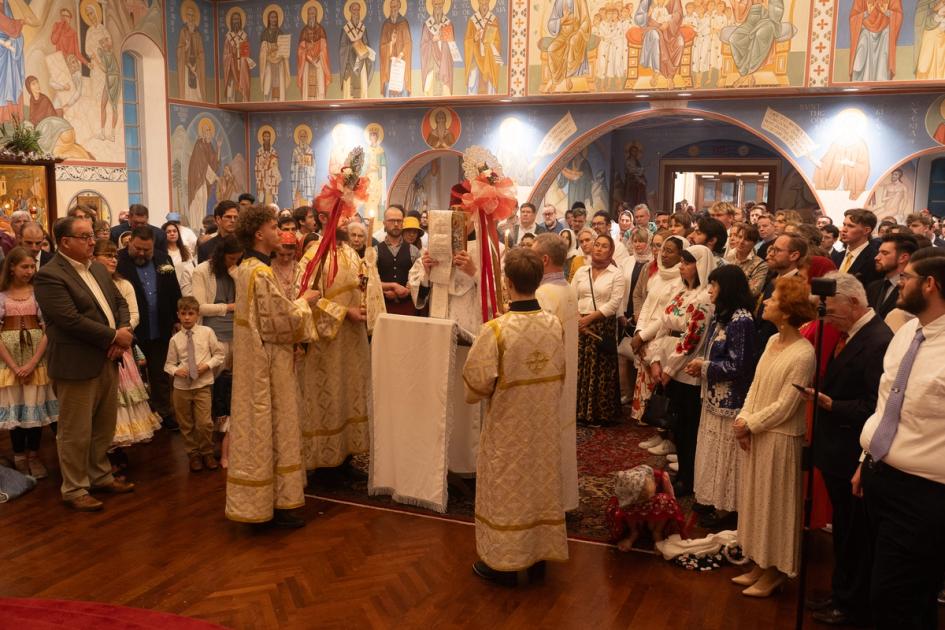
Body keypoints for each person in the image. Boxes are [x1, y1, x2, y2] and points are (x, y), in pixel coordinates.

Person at [463, 247, 568, 584]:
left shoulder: (496, 330)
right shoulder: (553, 324)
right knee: (539, 487)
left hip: (508, 428)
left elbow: (476, 383)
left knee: (506, 488)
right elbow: (560, 372)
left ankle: (504, 564)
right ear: (538, 280)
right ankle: (538, 559)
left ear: (507, 282)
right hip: (544, 427)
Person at [854, 248, 945, 629]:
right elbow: (886, 401)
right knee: (905, 596)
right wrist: (865, 461)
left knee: (893, 599)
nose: (899, 283)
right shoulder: (908, 330)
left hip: (925, 491)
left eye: (906, 277)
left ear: (930, 284)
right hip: (880, 475)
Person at [796, 272, 893, 627]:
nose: (827, 319)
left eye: (832, 311)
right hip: (836, 448)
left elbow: (875, 405)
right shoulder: (853, 333)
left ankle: (851, 603)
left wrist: (831, 404)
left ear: (853, 303)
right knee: (845, 532)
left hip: (853, 450)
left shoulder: (879, 340)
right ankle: (841, 593)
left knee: (855, 536)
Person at [225, 206, 320, 528]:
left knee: (261, 428)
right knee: (275, 424)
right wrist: (306, 301)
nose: (280, 232)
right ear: (258, 234)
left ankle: (263, 501)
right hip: (269, 364)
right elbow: (279, 323)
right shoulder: (261, 273)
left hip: (254, 362)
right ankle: (277, 504)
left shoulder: (246, 268)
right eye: (272, 227)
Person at [34, 216, 133, 511]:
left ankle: (99, 475)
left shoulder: (98, 270)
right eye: (85, 237)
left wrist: (122, 334)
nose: (93, 241)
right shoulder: (50, 275)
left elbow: (120, 303)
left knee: (104, 425)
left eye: (92, 236)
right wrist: (114, 336)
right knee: (75, 431)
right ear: (65, 242)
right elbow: (69, 321)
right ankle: (75, 488)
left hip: (107, 358)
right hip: (76, 363)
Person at [732, 275, 816, 597]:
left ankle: (777, 570)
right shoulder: (771, 341)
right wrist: (743, 417)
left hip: (780, 438)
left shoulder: (803, 353)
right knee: (756, 502)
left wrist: (749, 424)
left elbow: (786, 405)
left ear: (787, 309)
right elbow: (756, 386)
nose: (765, 301)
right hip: (759, 432)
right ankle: (760, 562)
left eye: (773, 298)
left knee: (776, 506)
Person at [298, 221, 381, 475]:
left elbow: (362, 287)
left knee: (351, 391)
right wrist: (345, 312)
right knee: (330, 395)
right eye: (342, 217)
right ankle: (323, 460)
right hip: (328, 343)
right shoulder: (315, 255)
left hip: (352, 341)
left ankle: (347, 453)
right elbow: (305, 297)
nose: (347, 222)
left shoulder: (350, 253)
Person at [685, 265, 755, 527]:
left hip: (731, 399)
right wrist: (705, 363)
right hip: (714, 395)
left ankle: (728, 508)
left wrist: (705, 367)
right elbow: (719, 353)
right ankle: (711, 497)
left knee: (726, 454)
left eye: (714, 285)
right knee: (712, 448)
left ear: (728, 288)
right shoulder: (722, 316)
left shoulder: (742, 320)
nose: (710, 290)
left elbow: (740, 366)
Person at [647, 245, 715, 496]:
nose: (681, 266)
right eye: (682, 262)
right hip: (667, 364)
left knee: (687, 428)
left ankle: (690, 477)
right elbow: (664, 325)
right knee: (677, 425)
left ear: (701, 265)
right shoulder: (680, 292)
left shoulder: (705, 297)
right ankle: (683, 473)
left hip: (685, 370)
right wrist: (655, 359)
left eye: (687, 262)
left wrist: (669, 368)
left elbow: (691, 339)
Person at [91, 239, 160, 473]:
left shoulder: (123, 284)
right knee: (103, 401)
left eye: (114, 256)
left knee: (123, 401)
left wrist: (120, 335)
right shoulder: (88, 282)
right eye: (107, 255)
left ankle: (117, 449)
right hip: (98, 347)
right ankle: (102, 452)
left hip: (121, 346)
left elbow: (133, 315)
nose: (112, 260)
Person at [116, 227, 182, 431]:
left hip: (160, 324)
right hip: (133, 328)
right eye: (138, 248)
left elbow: (173, 289)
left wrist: (177, 317)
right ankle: (139, 419)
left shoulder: (163, 259)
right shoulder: (118, 261)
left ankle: (164, 411)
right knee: (133, 376)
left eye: (147, 249)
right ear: (130, 242)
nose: (142, 253)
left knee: (160, 372)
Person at [0, 247, 58, 478]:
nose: (29, 271)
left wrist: (33, 363)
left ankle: (34, 455)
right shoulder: (2, 296)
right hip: (9, 363)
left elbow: (48, 330)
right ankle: (19, 456)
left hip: (36, 361)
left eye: (32, 266)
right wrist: (15, 367)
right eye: (24, 266)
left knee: (34, 409)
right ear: (12, 267)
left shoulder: (38, 294)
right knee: (17, 409)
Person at [533, 233, 579, 513]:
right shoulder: (567, 288)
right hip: (566, 373)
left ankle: (546, 503)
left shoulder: (544, 294)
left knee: (547, 440)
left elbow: (536, 338)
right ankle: (563, 499)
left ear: (545, 259)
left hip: (548, 378)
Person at [191, 235, 241, 460]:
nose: (233, 262)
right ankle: (206, 441)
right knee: (211, 389)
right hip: (213, 336)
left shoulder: (236, 271)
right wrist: (229, 307)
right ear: (221, 255)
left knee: (233, 389)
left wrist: (237, 275)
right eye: (231, 258)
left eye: (237, 259)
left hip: (237, 335)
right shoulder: (203, 271)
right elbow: (199, 306)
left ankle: (230, 441)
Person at [629, 235, 687, 428]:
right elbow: (646, 305)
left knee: (660, 387)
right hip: (644, 333)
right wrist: (639, 332)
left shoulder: (681, 281)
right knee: (646, 382)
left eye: (670, 251)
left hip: (661, 336)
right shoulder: (658, 275)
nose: (664, 255)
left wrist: (644, 336)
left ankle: (662, 432)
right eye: (664, 250)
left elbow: (665, 314)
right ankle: (653, 428)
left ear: (681, 255)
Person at [571, 234, 626, 426]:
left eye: (604, 246)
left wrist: (588, 319)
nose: (599, 249)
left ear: (611, 252)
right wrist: (578, 319)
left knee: (600, 370)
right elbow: (572, 297)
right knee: (581, 367)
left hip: (602, 325)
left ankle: (599, 414)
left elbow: (614, 303)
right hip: (579, 325)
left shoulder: (615, 274)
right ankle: (579, 412)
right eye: (597, 245)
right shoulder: (581, 272)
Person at [165, 296, 225, 473]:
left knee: (205, 422)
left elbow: (219, 355)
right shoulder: (175, 340)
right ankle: (193, 454)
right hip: (181, 388)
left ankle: (207, 451)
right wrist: (177, 371)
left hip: (202, 386)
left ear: (197, 315)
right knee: (186, 423)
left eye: (191, 313)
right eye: (183, 314)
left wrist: (206, 366)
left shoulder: (207, 332)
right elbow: (168, 364)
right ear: (178, 315)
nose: (187, 318)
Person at [756, 234, 806, 353]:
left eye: (777, 250)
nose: (771, 254)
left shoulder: (797, 287)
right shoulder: (774, 278)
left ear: (794, 255)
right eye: (772, 249)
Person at [377, 205, 420, 316]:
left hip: (408, 309)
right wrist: (390, 287)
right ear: (384, 224)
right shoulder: (374, 251)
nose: (396, 224)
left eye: (399, 221)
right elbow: (370, 282)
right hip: (382, 308)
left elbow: (420, 279)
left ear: (402, 223)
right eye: (391, 221)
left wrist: (407, 291)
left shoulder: (414, 251)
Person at [867, 233, 918, 319]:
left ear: (903, 257)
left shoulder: (913, 290)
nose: (876, 257)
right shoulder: (873, 287)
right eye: (879, 252)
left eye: (885, 253)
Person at [832, 208, 881, 289]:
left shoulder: (874, 258)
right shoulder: (837, 256)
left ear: (866, 230)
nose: (843, 230)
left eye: (851, 226)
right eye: (844, 224)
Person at [725, 222, 768, 298]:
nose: (741, 242)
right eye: (739, 237)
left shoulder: (760, 265)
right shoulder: (728, 257)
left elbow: (753, 291)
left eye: (747, 239)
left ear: (754, 243)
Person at [163, 221, 195, 288]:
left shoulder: (185, 250)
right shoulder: (163, 253)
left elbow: (192, 268)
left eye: (174, 231)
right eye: (168, 232)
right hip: (172, 287)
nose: (172, 233)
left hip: (187, 286)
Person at [272, 232, 300, 297]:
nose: (286, 259)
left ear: (295, 252)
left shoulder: (300, 268)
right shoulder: (268, 267)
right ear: (275, 251)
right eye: (281, 255)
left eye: (289, 254)